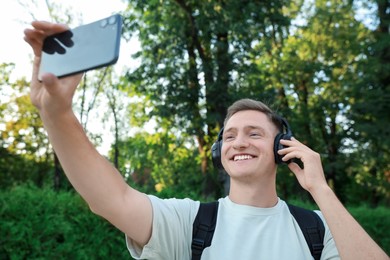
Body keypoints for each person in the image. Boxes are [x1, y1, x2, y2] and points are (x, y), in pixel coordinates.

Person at [23, 21, 389, 260]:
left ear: (283, 149)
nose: (238, 142)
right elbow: (111, 199)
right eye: (229, 136)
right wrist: (56, 114)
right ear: (219, 152)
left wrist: (320, 190)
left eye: (254, 133)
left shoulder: (318, 229)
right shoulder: (190, 222)